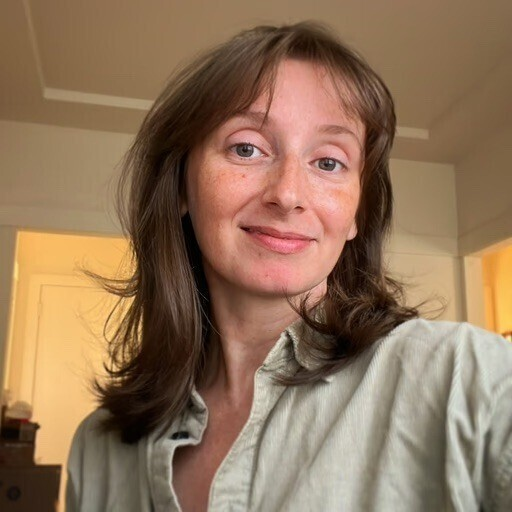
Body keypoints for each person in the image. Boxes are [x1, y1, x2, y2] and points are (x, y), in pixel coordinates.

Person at [66, 22, 512, 512]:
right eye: (246, 148)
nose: (288, 194)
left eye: (328, 162)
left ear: (356, 214)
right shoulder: (97, 448)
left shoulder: (469, 383)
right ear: (180, 186)